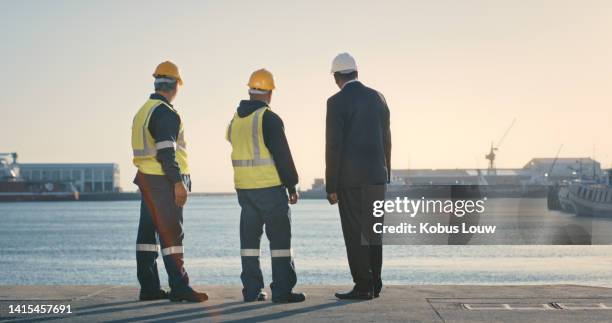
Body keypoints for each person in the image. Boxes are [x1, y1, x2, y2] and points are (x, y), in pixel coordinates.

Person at [226, 69, 305, 303]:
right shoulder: (268, 118)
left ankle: (251, 291)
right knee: (280, 243)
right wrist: (292, 185)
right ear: (269, 92)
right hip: (269, 188)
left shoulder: (235, 121)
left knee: (249, 244)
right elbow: (282, 155)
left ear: (249, 91)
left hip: (245, 191)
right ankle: (282, 291)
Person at [131, 61, 208, 302]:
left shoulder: (143, 110)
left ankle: (149, 288)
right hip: (164, 181)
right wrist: (177, 182)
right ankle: (180, 287)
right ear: (175, 85)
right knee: (172, 235)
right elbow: (167, 152)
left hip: (147, 179)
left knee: (147, 236)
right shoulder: (166, 113)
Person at [325, 53, 392, 300]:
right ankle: (375, 283)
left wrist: (331, 185)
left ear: (336, 77)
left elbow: (334, 146)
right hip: (377, 176)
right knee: (373, 232)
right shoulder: (378, 98)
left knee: (355, 234)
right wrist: (386, 174)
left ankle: (363, 285)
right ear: (356, 72)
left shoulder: (336, 102)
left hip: (350, 181)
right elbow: (387, 140)